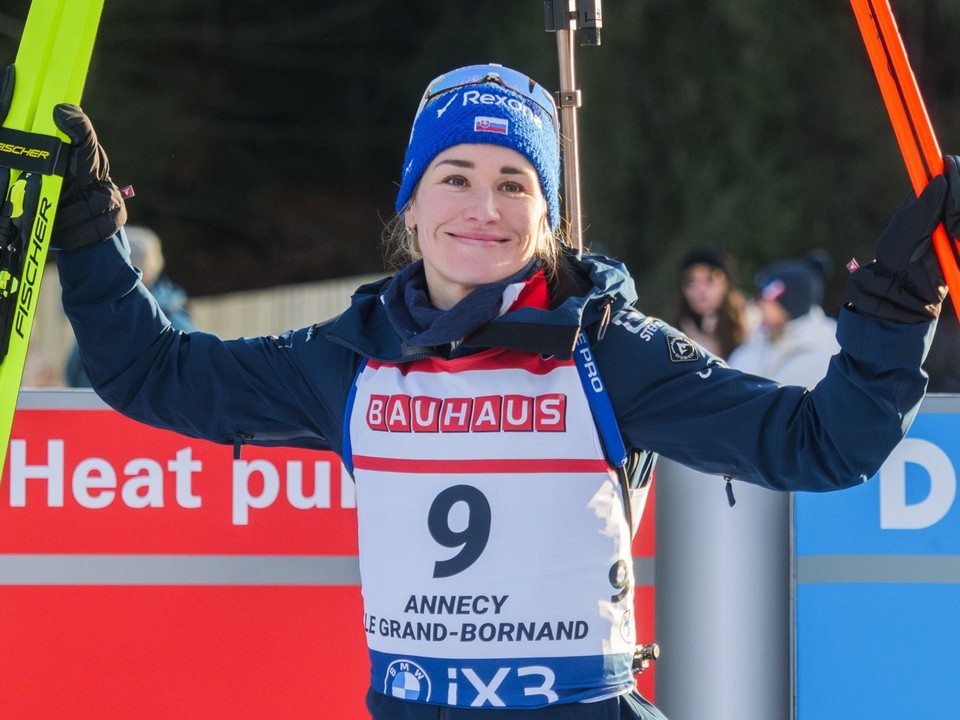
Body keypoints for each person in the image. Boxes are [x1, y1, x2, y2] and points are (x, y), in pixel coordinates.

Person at [24, 62, 958, 719]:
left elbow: (821, 443)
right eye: (456, 177)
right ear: (412, 203)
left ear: (545, 216)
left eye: (515, 183)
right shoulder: (351, 357)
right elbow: (153, 371)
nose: (483, 208)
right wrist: (87, 235)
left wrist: (892, 305)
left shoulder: (610, 352)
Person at [64, 223, 196, 387]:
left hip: (101, 406)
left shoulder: (102, 312)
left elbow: (74, 371)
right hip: (138, 409)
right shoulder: (174, 315)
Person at [728, 252, 840, 388]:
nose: (761, 305)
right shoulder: (758, 341)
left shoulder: (821, 347)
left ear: (790, 304)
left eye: (768, 300)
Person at [671, 245, 751, 359]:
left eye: (710, 279)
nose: (700, 289)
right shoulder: (676, 332)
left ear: (726, 284)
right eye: (691, 281)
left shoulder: (752, 324)